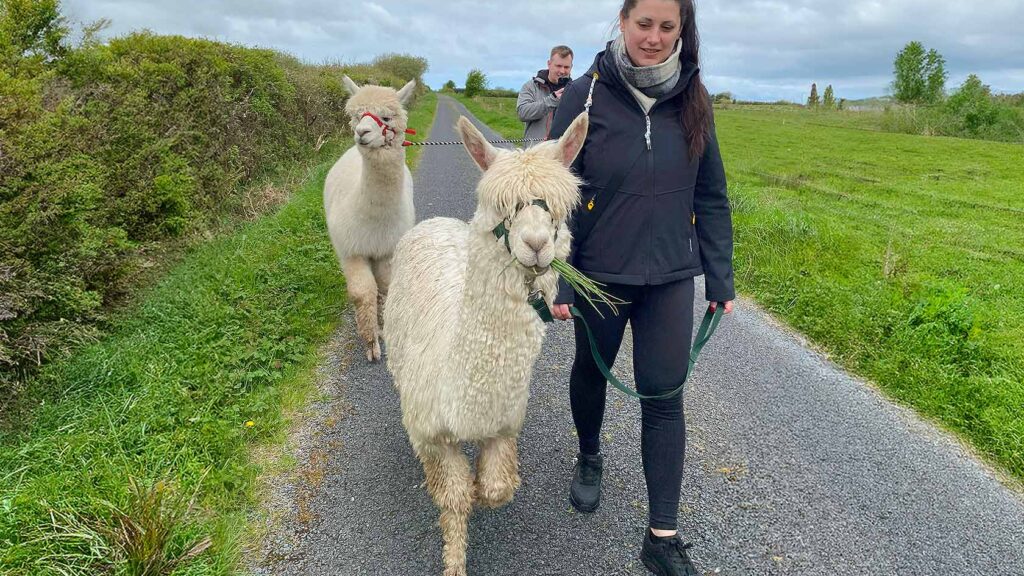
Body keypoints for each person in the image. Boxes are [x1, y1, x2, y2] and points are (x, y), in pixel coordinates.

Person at [547, 1, 734, 575]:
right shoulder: (585, 94)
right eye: (643, 24)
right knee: (590, 370)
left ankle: (662, 536)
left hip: (671, 276)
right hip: (600, 274)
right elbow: (559, 193)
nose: (653, 38)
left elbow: (710, 193)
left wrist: (719, 274)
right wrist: (563, 277)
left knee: (664, 395)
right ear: (623, 22)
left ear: (682, 30)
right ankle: (589, 455)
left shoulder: (694, 96)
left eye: (667, 27)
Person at [517, 45, 574, 141]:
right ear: (549, 64)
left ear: (571, 67)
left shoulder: (575, 90)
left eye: (566, 67)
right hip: (536, 148)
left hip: (563, 149)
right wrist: (552, 100)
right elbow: (522, 113)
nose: (562, 71)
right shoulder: (531, 86)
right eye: (558, 66)